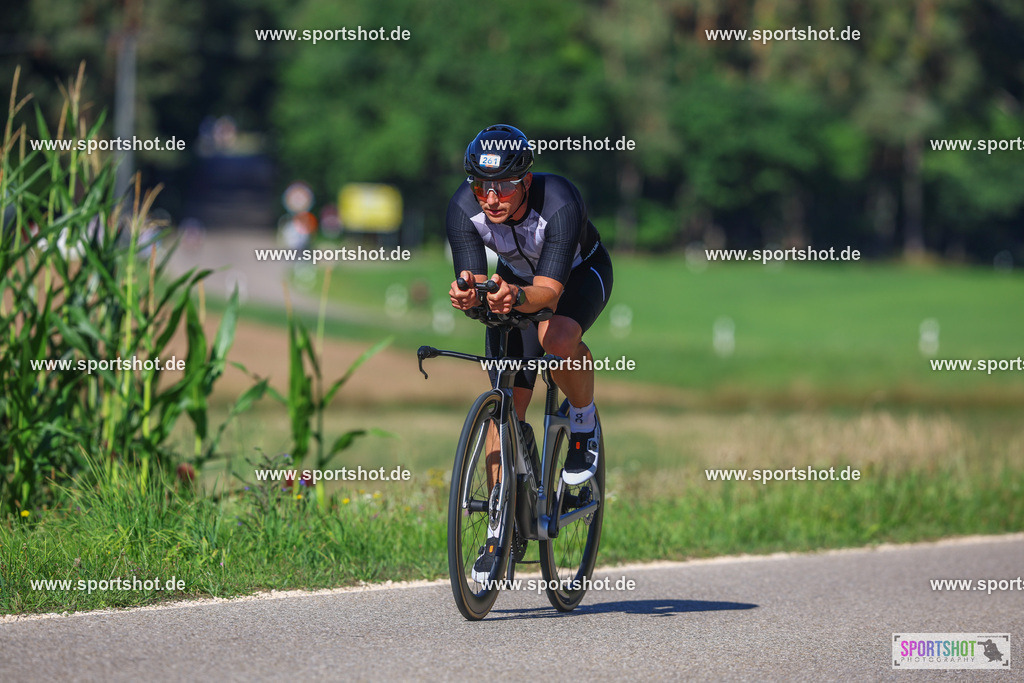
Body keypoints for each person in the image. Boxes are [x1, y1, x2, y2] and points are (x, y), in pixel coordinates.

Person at [446, 124, 614, 581]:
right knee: (507, 402)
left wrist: (514, 299)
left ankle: (583, 425)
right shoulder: (464, 207)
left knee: (555, 339)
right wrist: (470, 296)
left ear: (526, 180)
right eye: (482, 185)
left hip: (577, 276)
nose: (491, 198)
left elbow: (549, 292)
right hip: (517, 283)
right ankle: (501, 530)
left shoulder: (559, 200)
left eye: (503, 186)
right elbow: (473, 279)